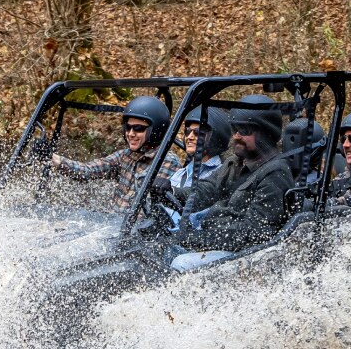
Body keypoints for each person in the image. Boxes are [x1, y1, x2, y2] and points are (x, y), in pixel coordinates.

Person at [172, 95, 293, 261]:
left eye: (244, 131)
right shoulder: (236, 162)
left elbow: (255, 232)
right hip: (218, 243)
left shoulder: (275, 173)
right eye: (235, 129)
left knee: (181, 263)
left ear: (265, 133)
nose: (236, 136)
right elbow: (206, 190)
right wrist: (172, 192)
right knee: (158, 248)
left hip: (245, 256)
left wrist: (198, 239)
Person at [51, 96, 181, 212]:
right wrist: (54, 158)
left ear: (155, 130)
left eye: (138, 128)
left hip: (137, 232)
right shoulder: (127, 154)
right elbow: (89, 170)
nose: (130, 133)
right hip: (113, 225)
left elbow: (152, 208)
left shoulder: (167, 161)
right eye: (128, 127)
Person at [168, 106, 231, 193]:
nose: (189, 137)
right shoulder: (180, 173)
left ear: (215, 137)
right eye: (187, 131)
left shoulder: (222, 175)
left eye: (198, 132)